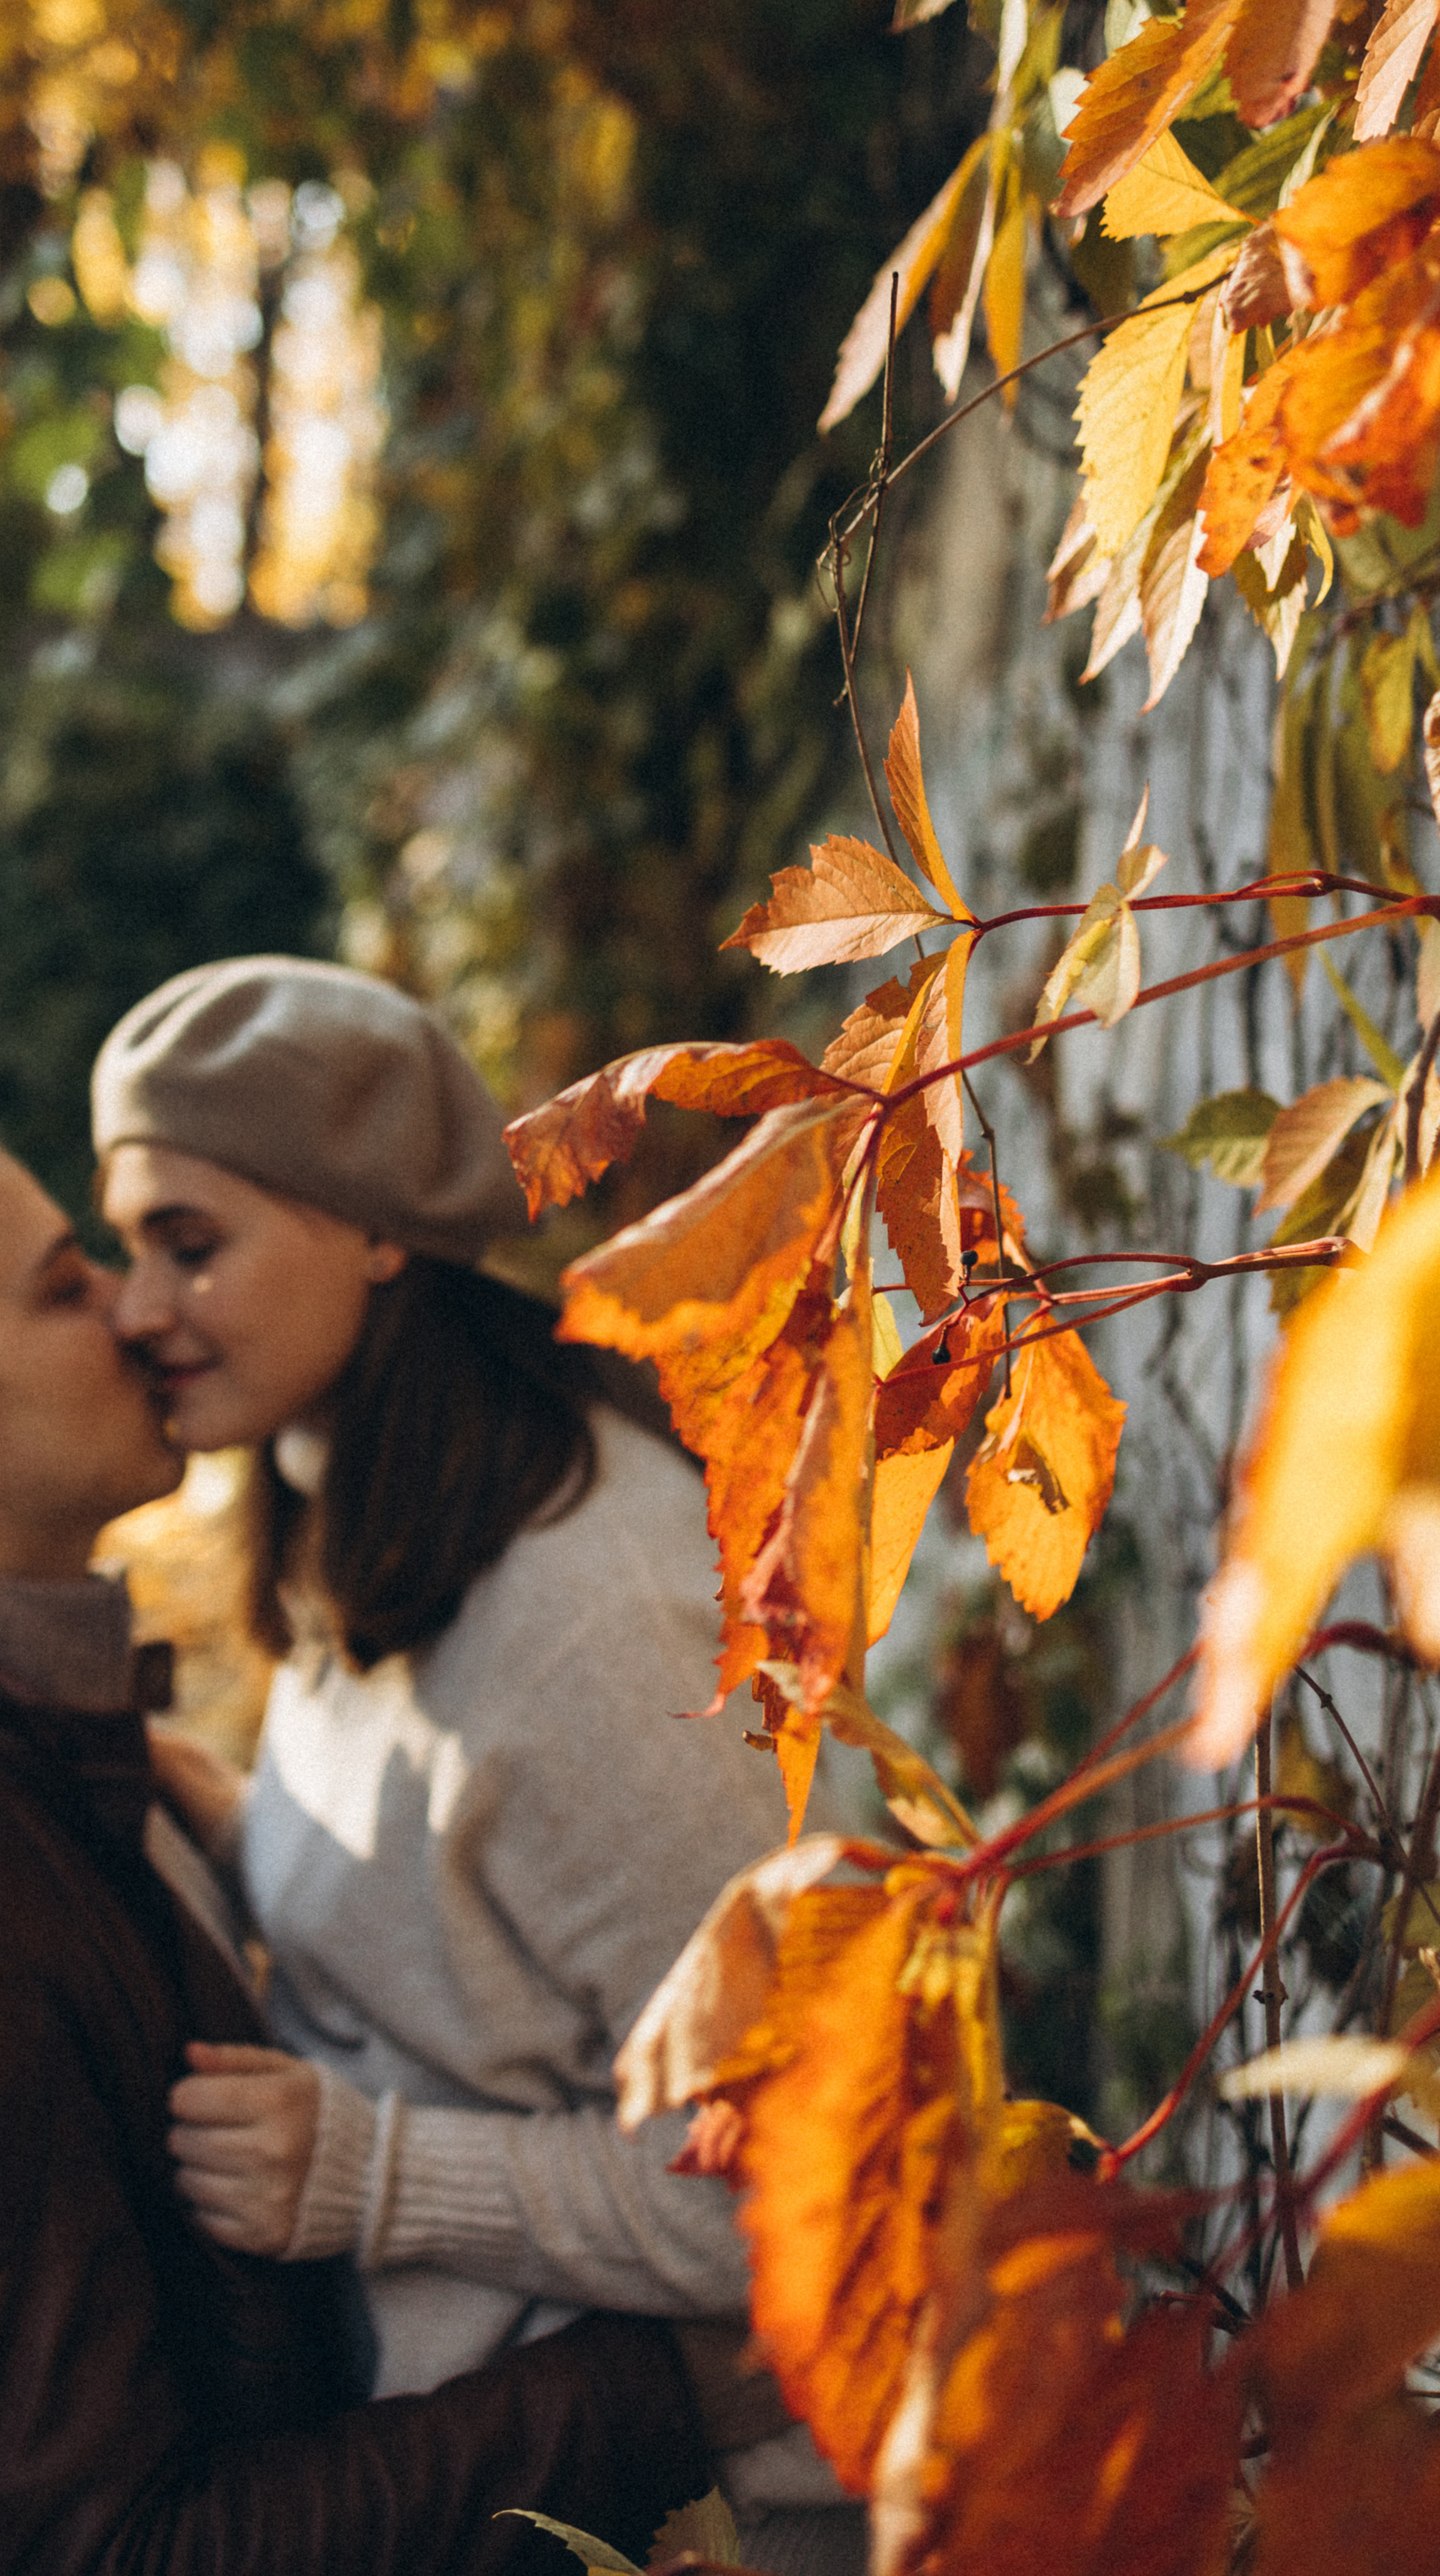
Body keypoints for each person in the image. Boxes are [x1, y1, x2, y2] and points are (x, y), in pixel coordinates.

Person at [0, 1081, 710, 2576]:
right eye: (67, 1285)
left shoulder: (3, 1730)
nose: (135, 1314)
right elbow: (118, 2556)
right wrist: (667, 2386)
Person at [93, 958, 859, 2576]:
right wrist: (243, 1827)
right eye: (123, 1247)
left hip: (706, 2511)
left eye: (190, 1244)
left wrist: (373, 2175)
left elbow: (795, 2178)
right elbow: (473, 1918)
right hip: (476, 2455)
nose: (132, 1309)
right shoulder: (349, 1498)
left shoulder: (596, 1615)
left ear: (380, 1232)